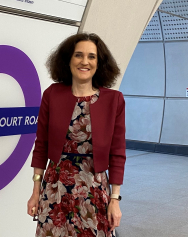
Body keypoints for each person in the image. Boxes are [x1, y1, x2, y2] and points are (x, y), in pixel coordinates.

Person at [27, 33, 126, 237]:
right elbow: (41, 145)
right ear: (68, 60)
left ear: (99, 63)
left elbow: (117, 153)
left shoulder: (114, 100)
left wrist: (115, 199)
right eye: (78, 55)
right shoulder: (51, 94)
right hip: (55, 188)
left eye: (92, 56)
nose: (84, 61)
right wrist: (36, 191)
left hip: (94, 188)